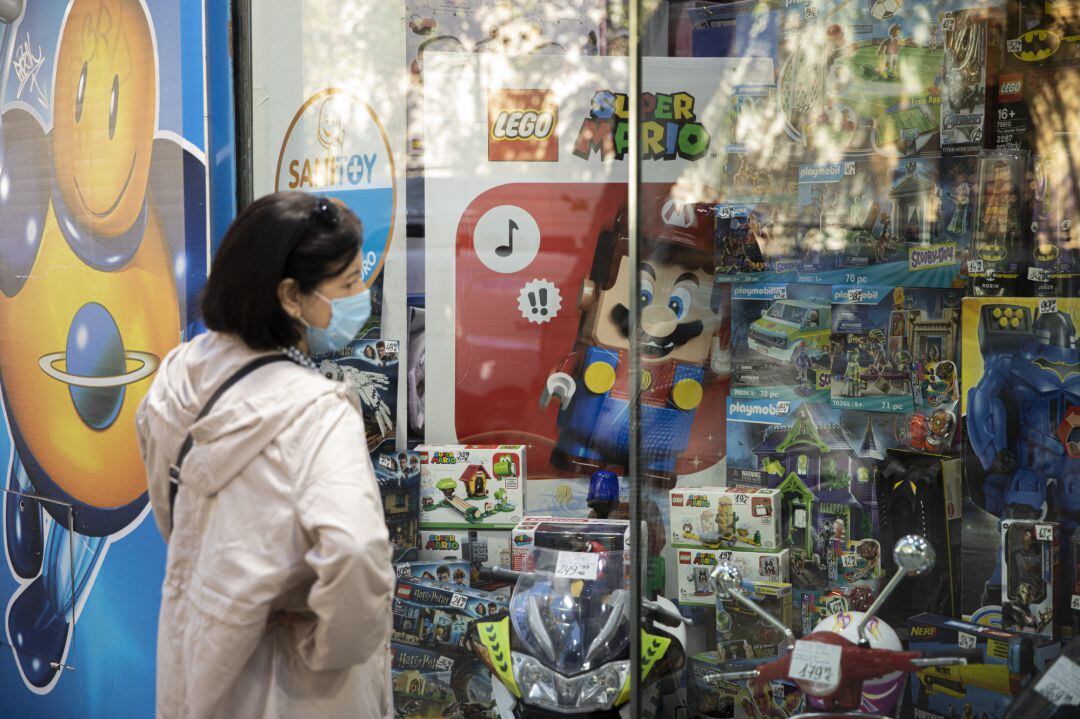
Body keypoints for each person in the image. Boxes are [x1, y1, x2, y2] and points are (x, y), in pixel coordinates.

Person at [136, 191, 394, 719]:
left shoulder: (178, 374)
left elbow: (174, 510)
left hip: (201, 656)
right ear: (290, 296)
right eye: (346, 284)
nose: (359, 295)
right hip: (297, 688)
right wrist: (327, 647)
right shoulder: (318, 412)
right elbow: (357, 552)